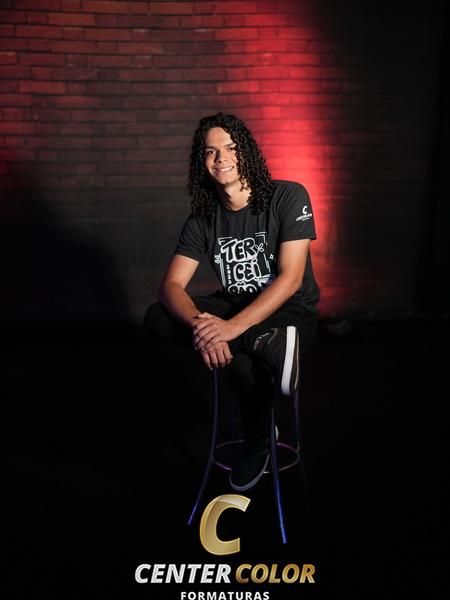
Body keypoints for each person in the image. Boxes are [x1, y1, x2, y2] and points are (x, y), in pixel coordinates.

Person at [143, 112, 320, 492]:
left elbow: (290, 279)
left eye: (230, 148)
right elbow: (171, 285)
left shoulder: (288, 196)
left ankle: (257, 438)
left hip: (289, 311)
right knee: (158, 317)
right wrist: (206, 330)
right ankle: (261, 346)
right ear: (202, 162)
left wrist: (230, 329)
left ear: (247, 152)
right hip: (236, 307)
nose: (220, 158)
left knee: (238, 360)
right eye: (210, 151)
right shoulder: (203, 219)